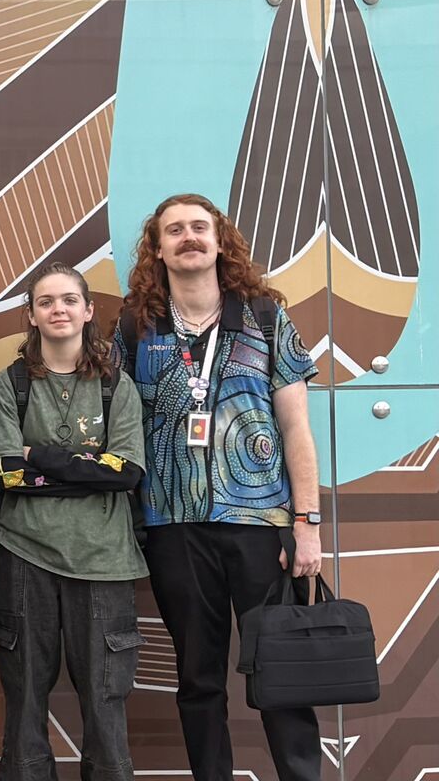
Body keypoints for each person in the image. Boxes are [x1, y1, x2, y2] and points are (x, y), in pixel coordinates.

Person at [119, 193, 324, 781]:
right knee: (198, 677)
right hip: (172, 527)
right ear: (158, 247)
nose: (189, 237)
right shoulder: (136, 326)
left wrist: (306, 525)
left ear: (219, 240)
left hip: (261, 526)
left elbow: (296, 429)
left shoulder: (263, 317)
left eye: (200, 228)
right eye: (174, 229)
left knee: (279, 671)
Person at [0, 264, 146, 781]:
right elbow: (2, 472)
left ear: (88, 311)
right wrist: (89, 471)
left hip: (104, 561)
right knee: (25, 698)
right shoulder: (10, 384)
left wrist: (42, 458)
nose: (59, 309)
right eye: (47, 301)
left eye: (69, 300)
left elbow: (128, 473)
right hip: (24, 553)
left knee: (105, 702)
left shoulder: (116, 385)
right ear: (31, 314)